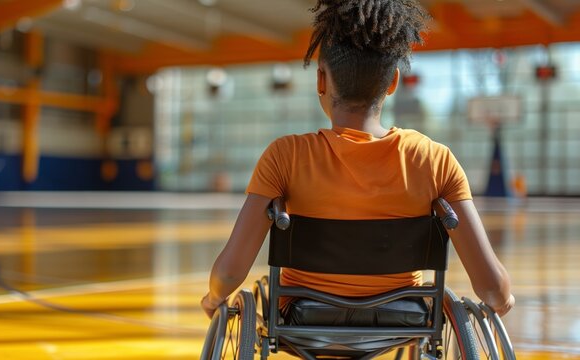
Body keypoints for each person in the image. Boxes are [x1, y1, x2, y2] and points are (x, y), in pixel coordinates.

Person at [201, 0, 514, 319]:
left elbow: (229, 274)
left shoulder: (284, 156)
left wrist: (214, 299)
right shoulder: (434, 159)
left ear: (321, 80)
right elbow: (491, 286)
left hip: (305, 317)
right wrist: (503, 299)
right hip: (403, 317)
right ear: (393, 81)